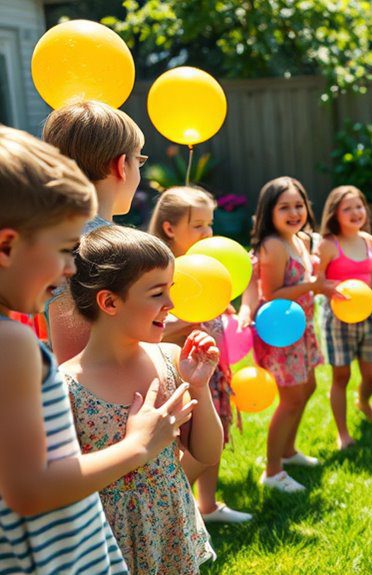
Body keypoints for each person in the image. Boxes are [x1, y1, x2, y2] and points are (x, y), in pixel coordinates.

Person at [0, 125, 188, 575]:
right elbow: (29, 489)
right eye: (66, 249)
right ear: (7, 245)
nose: (70, 269)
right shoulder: (11, 344)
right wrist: (139, 445)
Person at [63, 225, 221, 573]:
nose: (171, 304)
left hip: (170, 533)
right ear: (109, 302)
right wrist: (140, 445)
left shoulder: (169, 358)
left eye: (171, 290)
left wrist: (199, 387)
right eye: (156, 293)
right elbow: (63, 486)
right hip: (108, 543)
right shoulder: (67, 387)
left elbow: (208, 454)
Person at [148, 186, 251, 523]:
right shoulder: (167, 270)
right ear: (169, 228)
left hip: (211, 370)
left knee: (215, 437)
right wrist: (193, 317)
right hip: (183, 372)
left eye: (210, 225)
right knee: (191, 446)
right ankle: (173, 511)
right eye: (198, 226)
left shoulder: (209, 266)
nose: (208, 233)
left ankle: (207, 506)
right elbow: (158, 324)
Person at [41, 100, 146, 364]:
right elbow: (76, 354)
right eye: (139, 160)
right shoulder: (93, 247)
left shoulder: (55, 235)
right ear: (121, 165)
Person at [251, 177, 333, 492]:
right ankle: (272, 472)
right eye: (284, 207)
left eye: (298, 205)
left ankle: (288, 450)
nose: (294, 212)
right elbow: (271, 293)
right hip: (282, 335)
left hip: (302, 330)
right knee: (290, 399)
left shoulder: (300, 239)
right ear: (269, 212)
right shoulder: (273, 245)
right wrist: (314, 286)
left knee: (308, 386)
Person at [316, 185, 372, 448]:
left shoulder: (370, 241)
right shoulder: (328, 245)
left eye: (359, 206)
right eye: (348, 208)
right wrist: (331, 289)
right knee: (341, 376)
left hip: (368, 316)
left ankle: (364, 401)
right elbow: (318, 282)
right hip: (337, 318)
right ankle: (343, 433)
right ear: (335, 214)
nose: (356, 212)